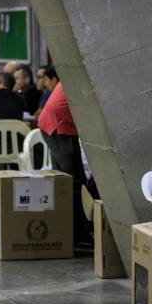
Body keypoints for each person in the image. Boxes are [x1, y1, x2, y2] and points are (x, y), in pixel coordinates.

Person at [38, 74, 92, 247]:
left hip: (52, 124)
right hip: (60, 126)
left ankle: (63, 232)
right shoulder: (88, 75)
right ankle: (79, 234)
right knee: (75, 183)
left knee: (62, 182)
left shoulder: (76, 72)